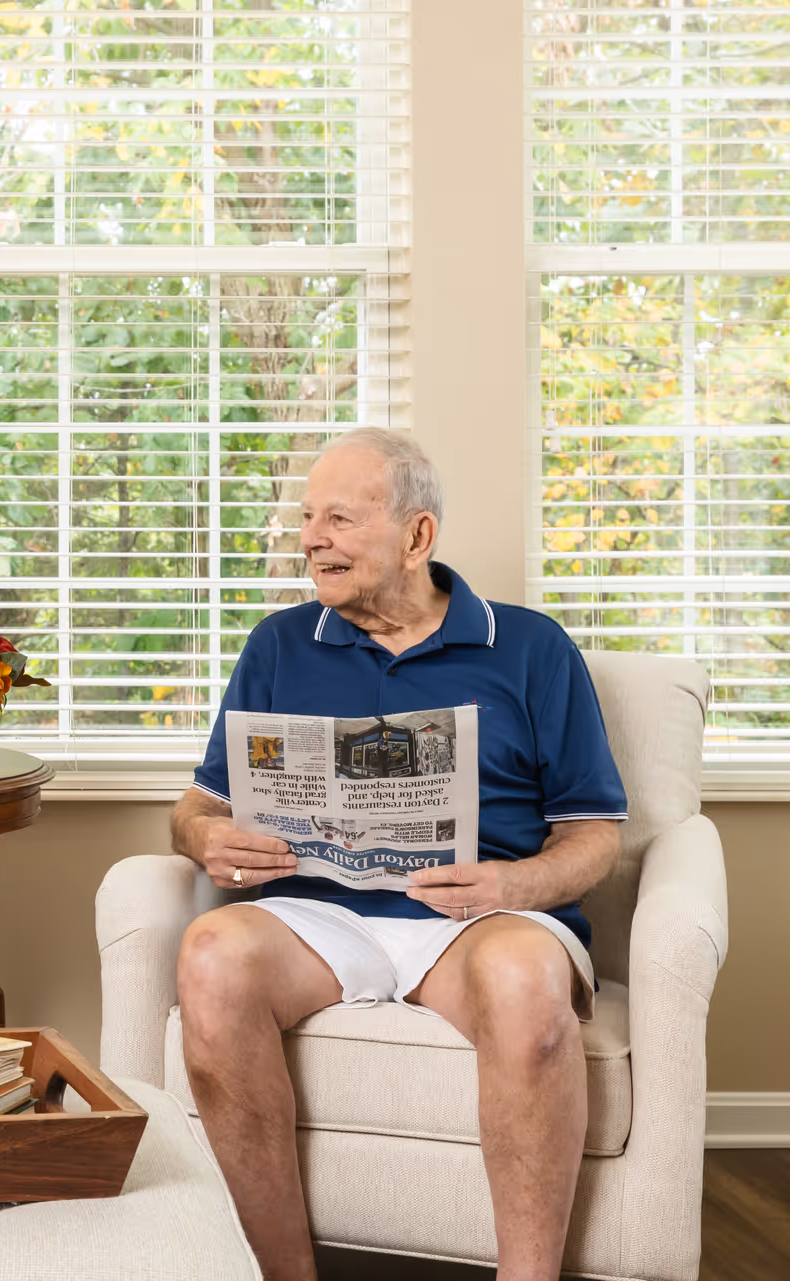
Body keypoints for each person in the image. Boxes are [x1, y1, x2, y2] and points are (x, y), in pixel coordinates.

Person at [172, 428, 626, 1281]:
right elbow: (198, 807)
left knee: (527, 981)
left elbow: (596, 833)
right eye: (308, 517)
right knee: (210, 955)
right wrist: (206, 837)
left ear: (417, 536)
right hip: (317, 914)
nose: (310, 538)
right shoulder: (278, 644)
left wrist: (514, 882)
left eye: (339, 518)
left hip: (478, 916)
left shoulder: (530, 649)